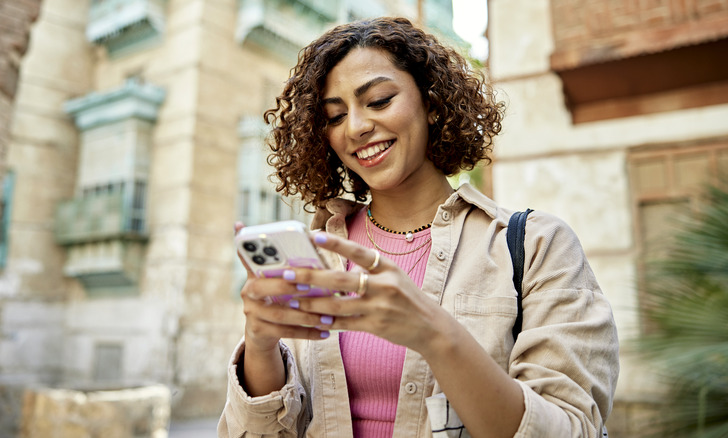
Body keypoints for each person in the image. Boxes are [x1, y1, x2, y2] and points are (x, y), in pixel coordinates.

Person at [219, 16, 619, 438]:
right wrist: (260, 347)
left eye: (378, 101)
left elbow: (573, 428)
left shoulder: (535, 246)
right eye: (335, 117)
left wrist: (433, 333)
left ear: (431, 103)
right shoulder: (317, 255)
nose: (355, 127)